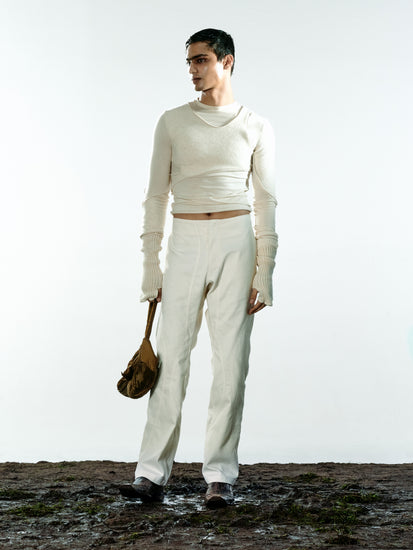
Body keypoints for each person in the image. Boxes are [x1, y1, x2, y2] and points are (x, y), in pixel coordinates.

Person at [120, 28, 278, 508]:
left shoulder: (256, 125)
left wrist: (265, 270)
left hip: (236, 241)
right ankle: (151, 473)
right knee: (170, 358)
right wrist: (150, 266)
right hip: (185, 239)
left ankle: (220, 476)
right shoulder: (172, 122)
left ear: (226, 62)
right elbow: (155, 196)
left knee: (232, 361)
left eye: (201, 60)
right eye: (189, 61)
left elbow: (265, 202)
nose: (192, 69)